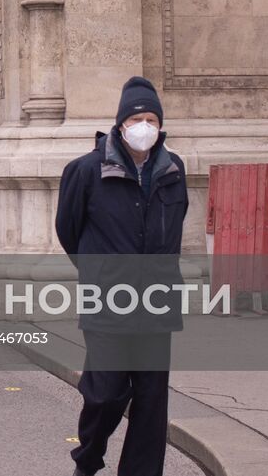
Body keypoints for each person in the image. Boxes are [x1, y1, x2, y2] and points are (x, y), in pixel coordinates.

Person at [56, 77, 187, 476]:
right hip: (108, 300)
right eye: (137, 119)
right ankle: (89, 459)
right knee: (106, 393)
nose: (144, 126)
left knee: (151, 402)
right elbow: (68, 229)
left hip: (156, 301)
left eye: (151, 119)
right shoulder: (86, 170)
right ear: (121, 125)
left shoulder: (173, 168)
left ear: (160, 125)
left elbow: (176, 224)